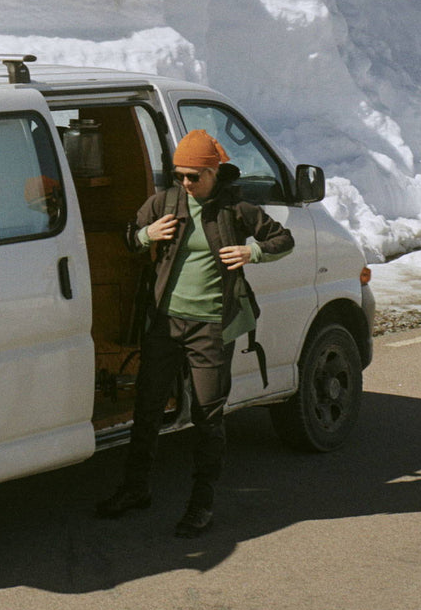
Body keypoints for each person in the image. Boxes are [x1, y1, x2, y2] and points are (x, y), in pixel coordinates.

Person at [94, 129, 295, 538]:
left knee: (207, 417)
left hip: (211, 327)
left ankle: (201, 503)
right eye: (179, 175)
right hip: (165, 323)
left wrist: (252, 252)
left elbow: (283, 239)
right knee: (148, 409)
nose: (185, 183)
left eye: (193, 176)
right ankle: (135, 489)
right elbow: (129, 238)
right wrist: (145, 236)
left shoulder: (236, 208)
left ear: (213, 172)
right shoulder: (165, 203)